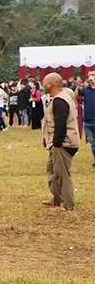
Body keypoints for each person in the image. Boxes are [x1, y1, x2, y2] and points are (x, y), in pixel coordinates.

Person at [40, 73, 78, 212]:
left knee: (62, 174)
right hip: (58, 143)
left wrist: (57, 143)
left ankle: (67, 204)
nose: (42, 85)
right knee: (52, 170)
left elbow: (60, 123)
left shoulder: (59, 100)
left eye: (44, 83)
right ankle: (57, 198)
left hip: (63, 144)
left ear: (49, 84)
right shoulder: (58, 98)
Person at [80, 75, 95, 167]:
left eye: (93, 75)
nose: (90, 77)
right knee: (93, 143)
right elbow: (75, 96)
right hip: (88, 121)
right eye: (89, 75)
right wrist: (78, 86)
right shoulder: (85, 90)